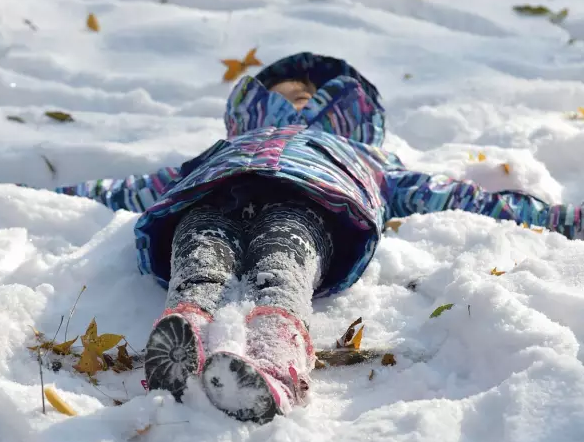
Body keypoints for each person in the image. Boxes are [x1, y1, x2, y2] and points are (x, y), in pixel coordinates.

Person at [51, 52, 583, 424]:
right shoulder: (224, 147)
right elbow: (139, 187)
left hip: (313, 201)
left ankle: (274, 357)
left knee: (286, 258)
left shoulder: (372, 158)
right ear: (257, 111)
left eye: (309, 97)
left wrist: (561, 219)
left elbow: (454, 195)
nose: (299, 102)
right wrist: (59, 195)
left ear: (342, 111)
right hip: (213, 193)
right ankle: (184, 329)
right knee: (198, 252)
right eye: (286, 96)